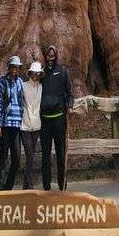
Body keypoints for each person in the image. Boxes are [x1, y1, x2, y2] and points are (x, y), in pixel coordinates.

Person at [40, 44, 73, 191]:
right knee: (45, 155)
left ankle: (62, 185)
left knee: (60, 153)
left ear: (57, 56)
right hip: (45, 120)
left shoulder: (62, 72)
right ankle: (46, 186)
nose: (50, 58)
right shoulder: (41, 73)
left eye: (53, 56)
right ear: (45, 57)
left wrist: (70, 104)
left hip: (59, 119)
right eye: (48, 56)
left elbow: (69, 93)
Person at [0, 54, 24, 191]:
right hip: (5, 125)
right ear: (10, 68)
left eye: (17, 67)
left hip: (17, 126)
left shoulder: (20, 82)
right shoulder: (2, 82)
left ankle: (8, 187)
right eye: (13, 67)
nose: (15, 69)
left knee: (16, 159)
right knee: (2, 159)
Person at [21, 59, 43, 188]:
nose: (35, 75)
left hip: (37, 126)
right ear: (30, 73)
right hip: (24, 125)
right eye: (33, 72)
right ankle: (30, 185)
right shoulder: (23, 85)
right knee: (29, 154)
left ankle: (26, 185)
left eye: (38, 73)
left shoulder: (41, 87)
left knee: (31, 155)